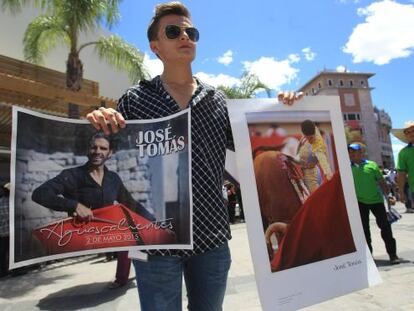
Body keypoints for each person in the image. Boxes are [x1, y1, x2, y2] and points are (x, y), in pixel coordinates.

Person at [86, 2, 302, 310]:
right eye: (173, 31)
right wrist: (102, 120)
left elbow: (252, 143)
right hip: (155, 240)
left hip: (211, 238)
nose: (184, 36)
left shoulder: (217, 100)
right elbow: (106, 152)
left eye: (191, 31)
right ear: (155, 46)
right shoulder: (135, 99)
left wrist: (286, 109)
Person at [32, 132, 154, 288]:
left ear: (110, 153)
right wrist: (73, 205)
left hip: (108, 230)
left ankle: (126, 275)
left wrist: (153, 221)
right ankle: (131, 270)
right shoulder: (72, 175)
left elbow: (130, 203)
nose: (98, 151)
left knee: (136, 231)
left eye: (103, 148)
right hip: (84, 232)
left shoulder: (113, 179)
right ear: (87, 150)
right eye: (93, 147)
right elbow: (39, 194)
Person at [348, 143, 400, 264]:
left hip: (377, 201)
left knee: (386, 228)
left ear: (362, 152)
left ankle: (393, 255)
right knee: (364, 231)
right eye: (350, 152)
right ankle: (369, 258)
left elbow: (382, 182)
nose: (352, 154)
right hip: (360, 203)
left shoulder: (372, 165)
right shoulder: (347, 168)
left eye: (355, 151)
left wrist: (390, 196)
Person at [297, 119, 333, 193]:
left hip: (310, 174)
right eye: (308, 138)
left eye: (312, 137)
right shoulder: (312, 129)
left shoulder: (318, 146)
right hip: (306, 170)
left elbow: (324, 162)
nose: (310, 140)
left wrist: (330, 176)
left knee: (315, 197)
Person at [392, 121, 414, 213]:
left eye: (413, 130)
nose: (411, 133)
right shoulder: (403, 153)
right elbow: (401, 174)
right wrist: (401, 191)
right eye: (407, 132)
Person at [0, 183, 10, 277]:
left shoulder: (1, 201)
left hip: (3, 231)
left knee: (3, 251)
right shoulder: (9, 203)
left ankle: (3, 270)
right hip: (10, 231)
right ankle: (12, 269)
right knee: (9, 251)